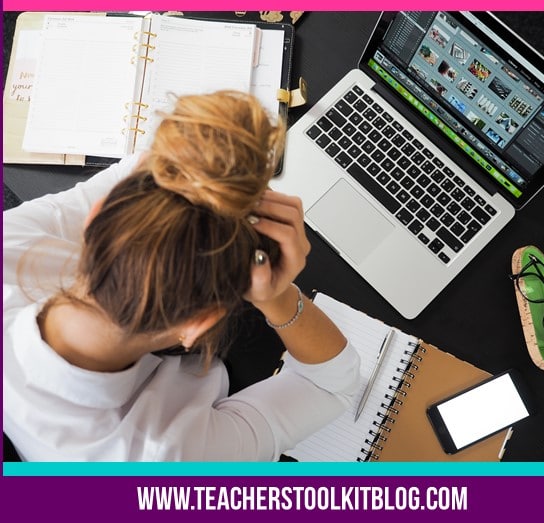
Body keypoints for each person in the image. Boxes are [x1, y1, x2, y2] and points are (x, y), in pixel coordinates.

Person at [3, 91, 360, 461]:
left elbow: (141, 169)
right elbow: (331, 385)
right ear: (198, 325)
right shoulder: (169, 459)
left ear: (93, 219)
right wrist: (279, 297)